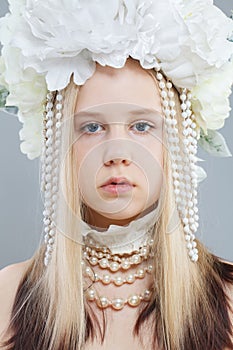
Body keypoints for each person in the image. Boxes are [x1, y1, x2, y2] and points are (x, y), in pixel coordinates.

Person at [0, 1, 233, 349]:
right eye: (92, 127)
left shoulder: (228, 298)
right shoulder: (8, 297)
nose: (118, 154)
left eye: (142, 126)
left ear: (175, 142)